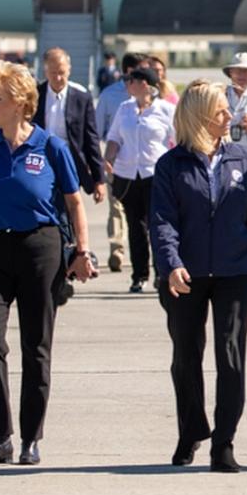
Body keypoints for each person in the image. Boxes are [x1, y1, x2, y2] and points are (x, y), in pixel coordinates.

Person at [0, 61, 98, 465]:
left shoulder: (50, 147)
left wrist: (81, 251)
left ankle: (31, 438)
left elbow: (74, 202)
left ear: (20, 103)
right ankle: (0, 437)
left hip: (39, 250)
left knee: (36, 346)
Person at [151, 79, 247, 473]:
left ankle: (223, 441)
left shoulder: (244, 158)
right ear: (199, 116)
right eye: (221, 110)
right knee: (185, 357)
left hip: (235, 271)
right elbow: (161, 221)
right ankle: (191, 430)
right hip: (185, 274)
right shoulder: (170, 165)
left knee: (230, 354)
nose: (230, 116)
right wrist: (171, 263)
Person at [34, 48, 106, 304]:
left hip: (70, 166)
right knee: (52, 217)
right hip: (40, 166)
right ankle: (58, 272)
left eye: (62, 73)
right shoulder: (36, 95)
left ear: (69, 70)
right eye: (53, 73)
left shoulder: (80, 96)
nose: (58, 78)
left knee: (69, 218)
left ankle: (68, 267)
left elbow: (91, 139)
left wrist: (98, 179)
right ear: (45, 71)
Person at [105, 67, 176, 294]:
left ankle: (162, 272)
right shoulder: (124, 109)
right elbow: (114, 138)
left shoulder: (165, 110)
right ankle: (139, 276)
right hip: (128, 176)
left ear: (145, 84)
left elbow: (179, 139)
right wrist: (108, 160)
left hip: (155, 175)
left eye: (131, 80)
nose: (127, 84)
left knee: (157, 226)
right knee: (136, 228)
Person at [97, 52, 151, 273]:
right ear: (130, 73)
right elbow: (101, 130)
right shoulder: (111, 97)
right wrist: (106, 158)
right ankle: (117, 250)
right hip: (119, 167)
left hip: (148, 171)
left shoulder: (160, 105)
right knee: (118, 210)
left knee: (146, 219)